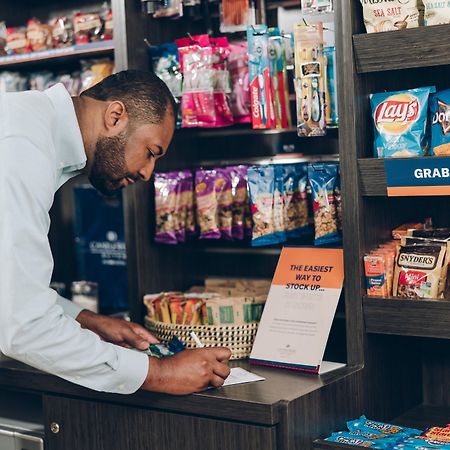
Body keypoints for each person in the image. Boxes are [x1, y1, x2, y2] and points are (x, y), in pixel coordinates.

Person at [0, 70, 231, 395]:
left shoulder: (30, 128)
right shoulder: (23, 145)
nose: (148, 173)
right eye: (151, 152)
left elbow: (9, 291)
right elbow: (23, 326)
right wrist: (160, 372)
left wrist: (85, 320)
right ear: (115, 116)